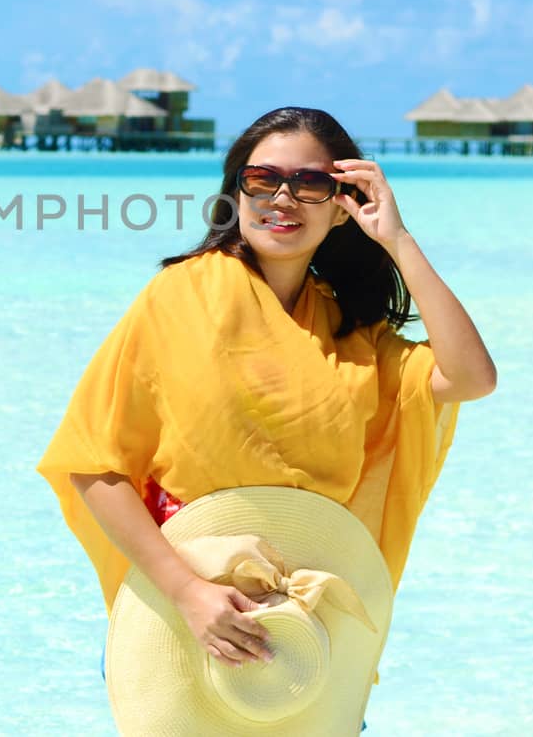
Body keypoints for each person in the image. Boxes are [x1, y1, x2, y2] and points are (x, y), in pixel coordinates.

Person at [37, 106, 497, 728]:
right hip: (190, 615)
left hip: (303, 636)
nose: (284, 197)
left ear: (343, 204)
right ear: (235, 195)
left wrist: (398, 239)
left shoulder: (353, 332)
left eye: (310, 183)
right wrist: (189, 594)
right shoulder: (182, 297)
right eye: (262, 180)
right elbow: (95, 469)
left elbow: (471, 377)